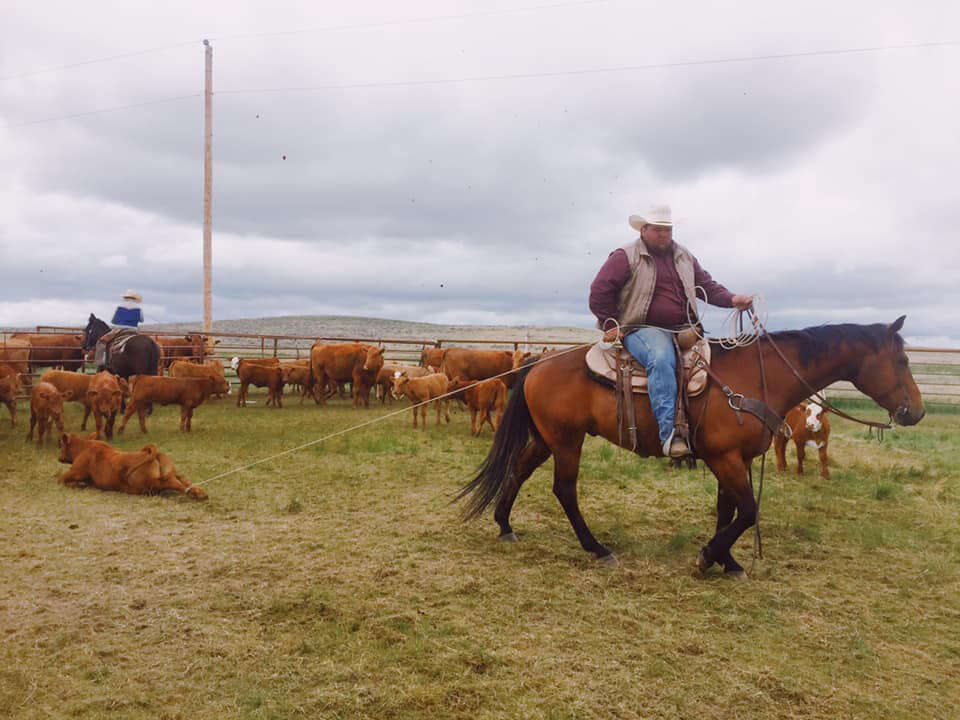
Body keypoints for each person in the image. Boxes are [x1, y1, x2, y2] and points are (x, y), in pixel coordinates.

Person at [589, 205, 754, 458]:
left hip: (686, 329)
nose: (664, 235)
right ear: (644, 230)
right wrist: (612, 325)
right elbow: (600, 290)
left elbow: (706, 286)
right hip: (641, 329)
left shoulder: (684, 256)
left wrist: (733, 299)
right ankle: (670, 435)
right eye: (658, 230)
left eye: (668, 229)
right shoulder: (626, 255)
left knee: (720, 359)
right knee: (661, 358)